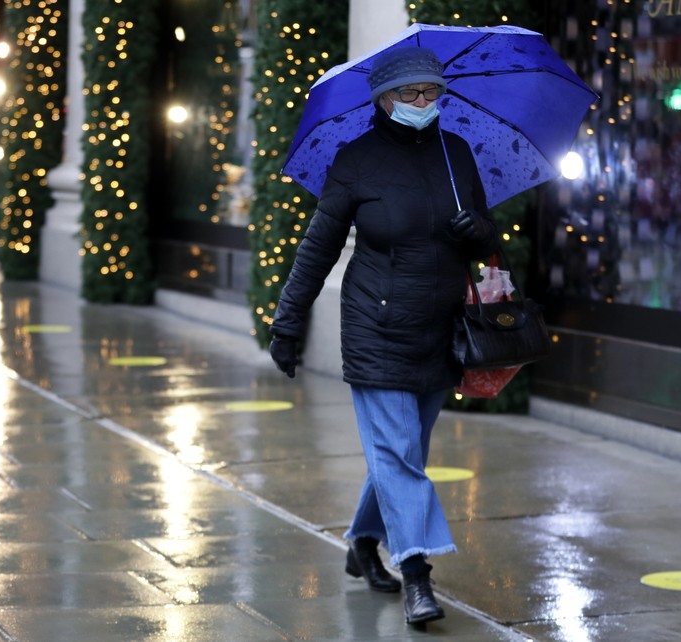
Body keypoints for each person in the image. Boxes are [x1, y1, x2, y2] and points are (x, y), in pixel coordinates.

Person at [268, 46, 499, 625]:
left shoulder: (457, 153)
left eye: (432, 93)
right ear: (384, 99)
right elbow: (317, 247)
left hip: (440, 331)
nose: (425, 103)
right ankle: (417, 574)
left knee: (401, 455)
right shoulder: (356, 161)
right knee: (398, 454)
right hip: (377, 328)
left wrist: (479, 231)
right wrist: (287, 322)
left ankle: (362, 542)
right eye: (411, 94)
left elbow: (490, 245)